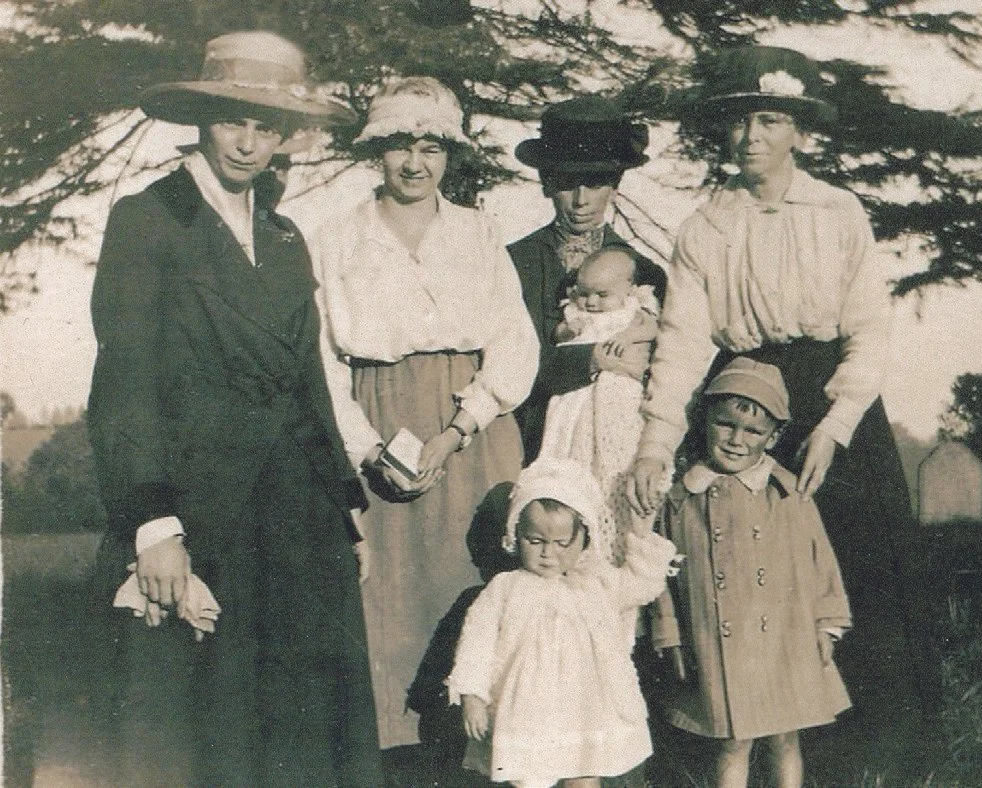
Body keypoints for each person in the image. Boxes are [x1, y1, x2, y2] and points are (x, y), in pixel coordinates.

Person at [627, 46, 942, 779]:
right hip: (743, 396)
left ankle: (869, 758)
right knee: (746, 571)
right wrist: (654, 445)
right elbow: (680, 345)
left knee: (853, 571)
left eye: (769, 121)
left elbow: (868, 328)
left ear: (798, 132)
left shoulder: (837, 213)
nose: (752, 138)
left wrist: (835, 426)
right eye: (738, 123)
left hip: (833, 402)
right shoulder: (703, 229)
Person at [87, 31, 381, 786]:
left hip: (297, 516)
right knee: (209, 731)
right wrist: (153, 524)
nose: (248, 143)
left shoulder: (284, 237)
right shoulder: (149, 219)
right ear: (203, 119)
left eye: (266, 126)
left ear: (284, 137)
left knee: (303, 727)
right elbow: (125, 380)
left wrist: (343, 504)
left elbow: (309, 380)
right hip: (202, 513)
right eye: (232, 121)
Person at [311, 76, 539, 778]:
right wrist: (369, 448)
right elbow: (321, 360)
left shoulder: (476, 232)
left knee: (483, 592)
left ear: (449, 156)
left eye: (431, 147)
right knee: (387, 607)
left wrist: (458, 426)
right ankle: (398, 767)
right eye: (399, 147)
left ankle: (484, 756)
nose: (415, 163)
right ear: (375, 151)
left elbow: (514, 341)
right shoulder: (335, 238)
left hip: (469, 431)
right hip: (377, 431)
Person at [648, 358, 852, 788]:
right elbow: (660, 573)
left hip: (784, 637)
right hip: (715, 640)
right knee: (732, 741)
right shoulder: (681, 496)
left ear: (774, 436)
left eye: (754, 432)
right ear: (705, 421)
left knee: (784, 736)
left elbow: (821, 561)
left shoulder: (787, 492)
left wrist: (827, 624)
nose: (737, 440)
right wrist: (669, 633)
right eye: (725, 425)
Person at [447, 458, 678, 788]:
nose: (547, 554)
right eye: (535, 541)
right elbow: (476, 642)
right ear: (515, 536)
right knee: (530, 775)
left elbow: (641, 585)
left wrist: (641, 531)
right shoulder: (506, 587)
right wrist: (472, 694)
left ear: (584, 538)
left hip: (586, 706)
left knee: (584, 774)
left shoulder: (594, 583)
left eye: (561, 542)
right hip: (529, 708)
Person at [508, 96, 666, 466]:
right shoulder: (513, 264)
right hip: (527, 442)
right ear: (546, 184)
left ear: (615, 185)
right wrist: (589, 359)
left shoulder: (645, 273)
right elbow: (509, 364)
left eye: (595, 184)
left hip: (616, 443)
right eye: (567, 184)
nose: (581, 200)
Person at [539, 246, 660, 566]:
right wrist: (568, 329)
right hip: (577, 398)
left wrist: (632, 334)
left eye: (602, 295)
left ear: (629, 290)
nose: (591, 303)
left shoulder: (636, 310)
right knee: (571, 451)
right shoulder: (579, 311)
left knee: (615, 457)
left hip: (617, 398)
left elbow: (652, 328)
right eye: (585, 294)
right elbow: (556, 333)